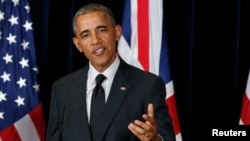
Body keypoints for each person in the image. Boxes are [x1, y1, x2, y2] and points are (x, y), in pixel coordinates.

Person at [46, 3, 176, 141]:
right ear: (78, 44)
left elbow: (167, 138)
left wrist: (155, 139)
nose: (95, 40)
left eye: (101, 30)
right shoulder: (61, 89)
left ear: (117, 33)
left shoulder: (148, 85)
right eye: (86, 35)